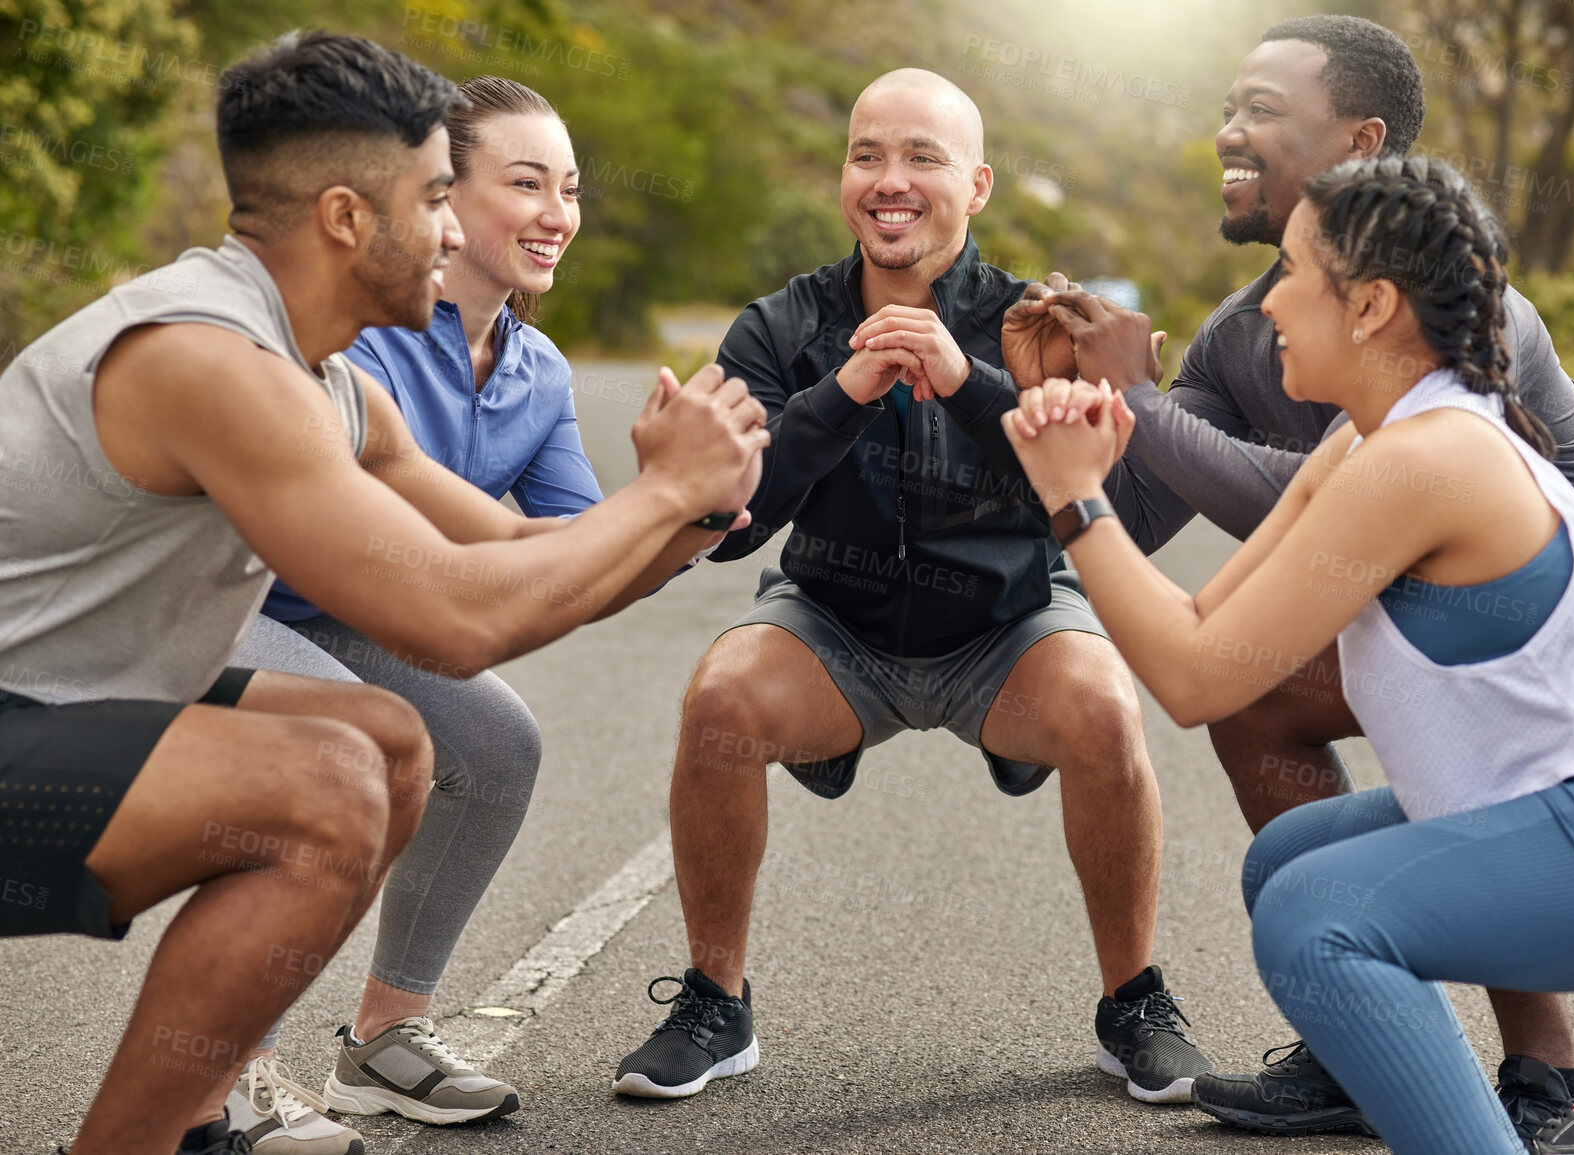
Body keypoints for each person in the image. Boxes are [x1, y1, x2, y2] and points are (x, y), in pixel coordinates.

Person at [0, 31, 766, 1155]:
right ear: (349, 219)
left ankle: (201, 1110)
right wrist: (659, 498)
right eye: (436, 200)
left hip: (55, 717)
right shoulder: (207, 362)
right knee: (328, 790)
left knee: (390, 742)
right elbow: (457, 620)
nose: (455, 231)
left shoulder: (332, 383)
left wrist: (690, 509)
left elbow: (513, 545)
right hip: (24, 720)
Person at [1000, 15, 1574, 1149]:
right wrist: (1075, 434)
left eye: (1296, 274)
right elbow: (1193, 620)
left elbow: (1192, 654)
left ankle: (1545, 1081)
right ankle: (1386, 1052)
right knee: (1302, 849)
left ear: (1375, 298)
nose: (1270, 301)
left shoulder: (1444, 414)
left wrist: (1095, 470)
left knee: (1318, 912)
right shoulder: (1350, 419)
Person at [610, 68, 1210, 1106]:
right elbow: (726, 528)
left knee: (1109, 707)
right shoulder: (780, 324)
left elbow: (1080, 502)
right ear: (844, 178)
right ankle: (716, 1001)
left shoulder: (1041, 321)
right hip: (833, 629)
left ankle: (1134, 1003)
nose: (890, 180)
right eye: (867, 155)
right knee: (719, 699)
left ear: (977, 185)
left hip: (1008, 623)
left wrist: (966, 380)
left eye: (922, 158)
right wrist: (839, 395)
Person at [219, 74, 609, 1150]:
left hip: (342, 609)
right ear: (443, 196)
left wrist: (703, 502)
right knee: (345, 735)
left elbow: (581, 553)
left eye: (568, 188)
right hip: (222, 596)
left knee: (494, 742)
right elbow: (424, 562)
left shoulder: (538, 371)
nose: (556, 213)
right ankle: (221, 1076)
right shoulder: (364, 330)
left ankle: (384, 1044)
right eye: (523, 182)